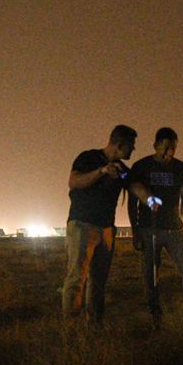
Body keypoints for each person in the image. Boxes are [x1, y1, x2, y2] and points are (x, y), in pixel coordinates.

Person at [62, 125, 156, 322]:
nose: (133, 150)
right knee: (76, 279)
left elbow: (134, 186)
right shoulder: (88, 158)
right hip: (82, 226)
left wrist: (150, 200)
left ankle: (94, 328)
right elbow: (74, 182)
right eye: (131, 146)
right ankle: (70, 331)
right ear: (119, 145)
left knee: (98, 283)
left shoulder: (121, 170)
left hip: (106, 230)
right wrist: (102, 171)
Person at [128, 127, 183, 325]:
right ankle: (154, 314)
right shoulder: (141, 167)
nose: (169, 153)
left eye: (173, 149)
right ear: (155, 145)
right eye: (165, 148)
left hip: (174, 228)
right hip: (149, 228)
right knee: (151, 274)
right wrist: (135, 230)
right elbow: (133, 203)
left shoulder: (181, 168)